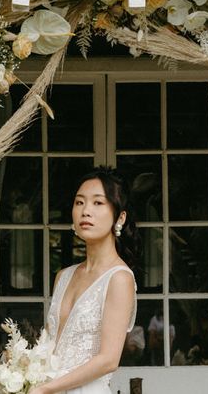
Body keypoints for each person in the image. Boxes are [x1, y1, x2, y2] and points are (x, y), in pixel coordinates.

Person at [28, 169, 139, 394]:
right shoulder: (64, 276)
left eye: (98, 203)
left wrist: (45, 389)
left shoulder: (119, 278)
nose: (86, 211)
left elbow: (109, 359)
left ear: (120, 217)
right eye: (79, 202)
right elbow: (49, 345)